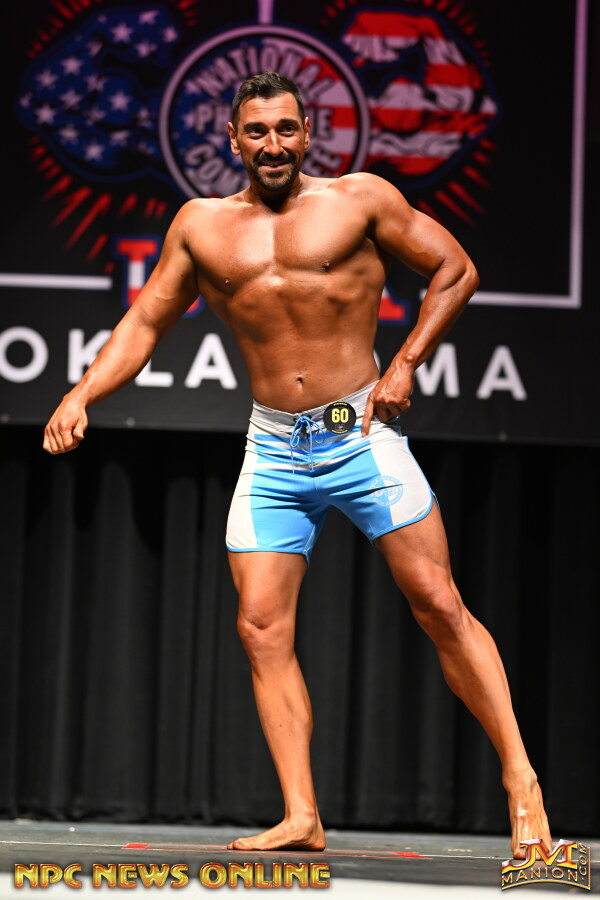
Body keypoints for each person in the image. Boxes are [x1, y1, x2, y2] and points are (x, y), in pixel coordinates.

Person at [43, 71, 552, 859]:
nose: (273, 144)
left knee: (438, 603)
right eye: (257, 131)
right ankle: (301, 816)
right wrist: (82, 393)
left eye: (286, 128)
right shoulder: (201, 226)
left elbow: (455, 270)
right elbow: (145, 322)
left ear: (309, 132)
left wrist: (405, 364)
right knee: (259, 626)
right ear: (233, 139)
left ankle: (521, 780)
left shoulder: (360, 200)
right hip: (274, 446)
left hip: (359, 431)